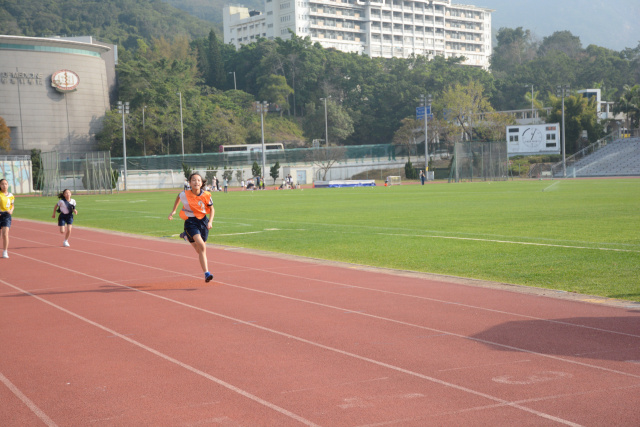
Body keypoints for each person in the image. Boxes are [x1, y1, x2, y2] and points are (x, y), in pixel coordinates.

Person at [168, 172, 215, 283]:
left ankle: (186, 236)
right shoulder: (185, 194)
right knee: (202, 246)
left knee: (200, 250)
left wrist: (210, 222)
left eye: (198, 180)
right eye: (193, 180)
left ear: (202, 183)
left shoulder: (206, 195)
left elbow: (212, 209)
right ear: (189, 182)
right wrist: (174, 210)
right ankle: (207, 273)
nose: (196, 182)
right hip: (191, 222)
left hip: (203, 222)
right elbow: (178, 197)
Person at [0, 178, 15, 259]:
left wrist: (11, 210)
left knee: (5, 233)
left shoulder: (11, 195)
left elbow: (12, 205)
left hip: (6, 215)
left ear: (8, 185)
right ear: (0, 185)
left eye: (5, 184)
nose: (4, 185)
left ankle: (5, 251)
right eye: (2, 184)